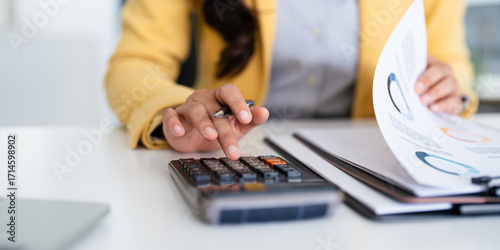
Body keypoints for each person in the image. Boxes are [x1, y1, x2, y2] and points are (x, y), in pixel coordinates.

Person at [106, 0, 478, 160]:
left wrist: (448, 92)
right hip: (236, 156)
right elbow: (136, 62)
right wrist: (172, 111)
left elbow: (453, 64)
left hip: (374, 158)